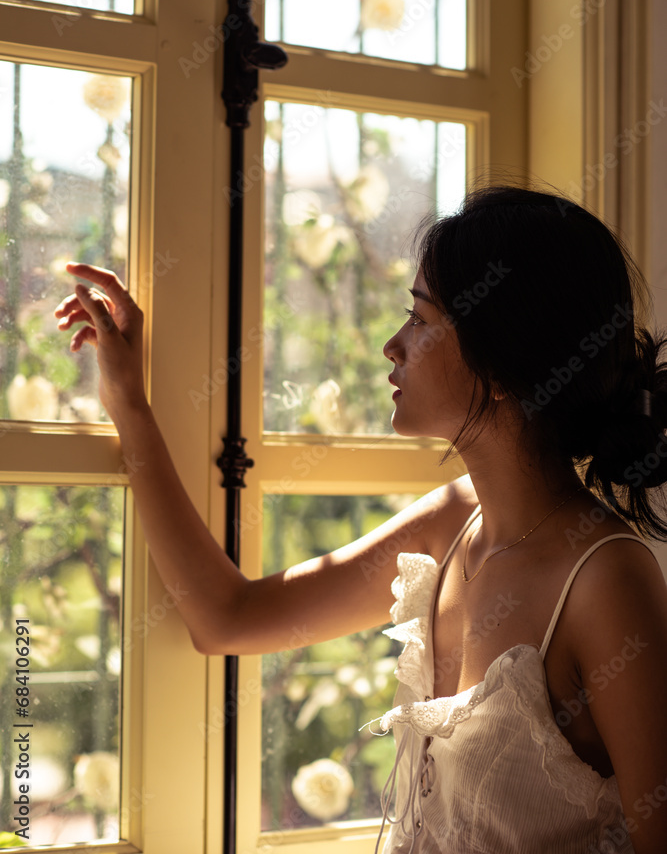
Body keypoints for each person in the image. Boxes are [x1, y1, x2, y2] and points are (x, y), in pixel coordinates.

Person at [54, 184, 667, 854]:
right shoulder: (451, 523)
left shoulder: (605, 578)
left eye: (421, 320)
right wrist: (130, 409)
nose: (390, 346)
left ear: (501, 365)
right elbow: (224, 617)